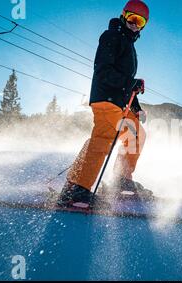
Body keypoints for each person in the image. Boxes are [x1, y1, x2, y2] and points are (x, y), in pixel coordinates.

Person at [57, 0, 150, 207]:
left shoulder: (128, 45)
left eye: (141, 22)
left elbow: (127, 85)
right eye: (133, 18)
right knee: (103, 139)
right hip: (106, 99)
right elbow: (103, 71)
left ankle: (121, 180)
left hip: (121, 103)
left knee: (136, 135)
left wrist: (137, 106)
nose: (135, 25)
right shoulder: (112, 37)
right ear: (124, 15)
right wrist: (130, 82)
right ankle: (76, 189)